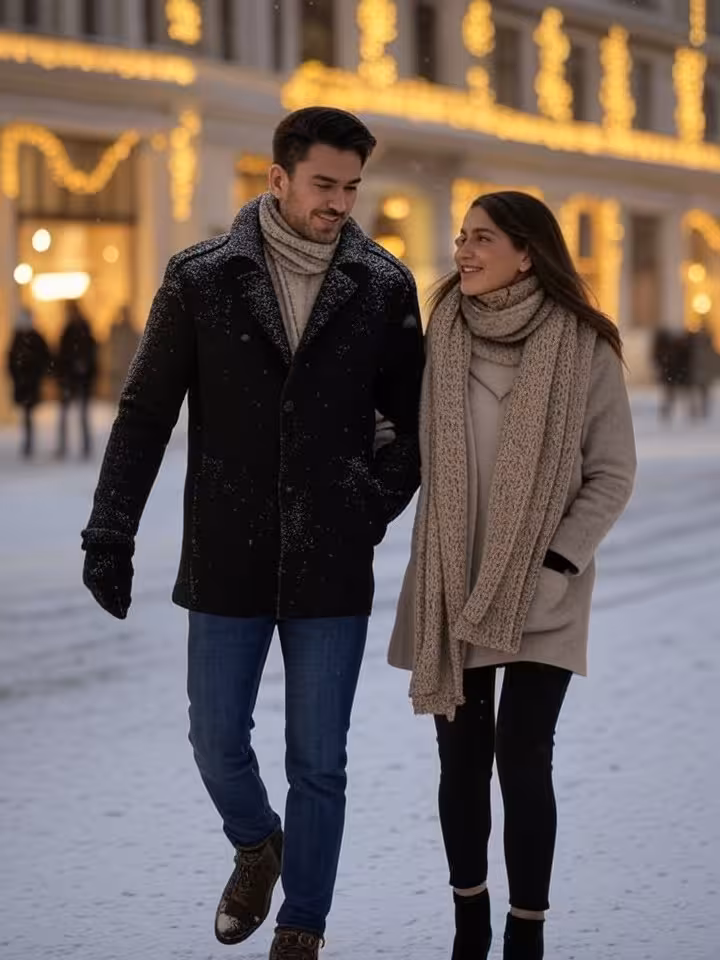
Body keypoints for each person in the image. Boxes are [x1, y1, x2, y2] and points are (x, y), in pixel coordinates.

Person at [81, 107, 424, 960]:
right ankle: (256, 845)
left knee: (320, 760)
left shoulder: (384, 285)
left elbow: (416, 422)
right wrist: (110, 532)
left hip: (331, 560)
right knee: (215, 738)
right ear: (277, 179)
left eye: (351, 186)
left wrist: (370, 499)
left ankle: (303, 923)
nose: (339, 202)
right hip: (227, 552)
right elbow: (145, 411)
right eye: (324, 184)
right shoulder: (201, 276)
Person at [388, 191, 636, 960]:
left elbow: (612, 473)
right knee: (459, 759)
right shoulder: (441, 335)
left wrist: (560, 561)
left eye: (482, 239)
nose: (463, 250)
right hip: (452, 578)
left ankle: (526, 932)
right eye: (462, 237)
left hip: (543, 585)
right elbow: (400, 430)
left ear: (528, 253)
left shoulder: (585, 346)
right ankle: (469, 921)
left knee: (522, 751)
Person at [55, 300, 98, 458]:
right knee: (67, 414)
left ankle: (84, 446)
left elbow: (90, 352)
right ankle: (65, 446)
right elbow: (62, 355)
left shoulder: (81, 329)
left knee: (81, 414)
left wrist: (84, 367)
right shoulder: (71, 330)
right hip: (71, 379)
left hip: (79, 379)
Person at [6, 306, 51, 458]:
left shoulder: (32, 338)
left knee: (28, 412)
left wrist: (36, 374)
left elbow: (44, 357)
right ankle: (27, 442)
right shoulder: (19, 338)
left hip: (30, 382)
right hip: (23, 382)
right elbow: (11, 360)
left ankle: (29, 442)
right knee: (26, 413)